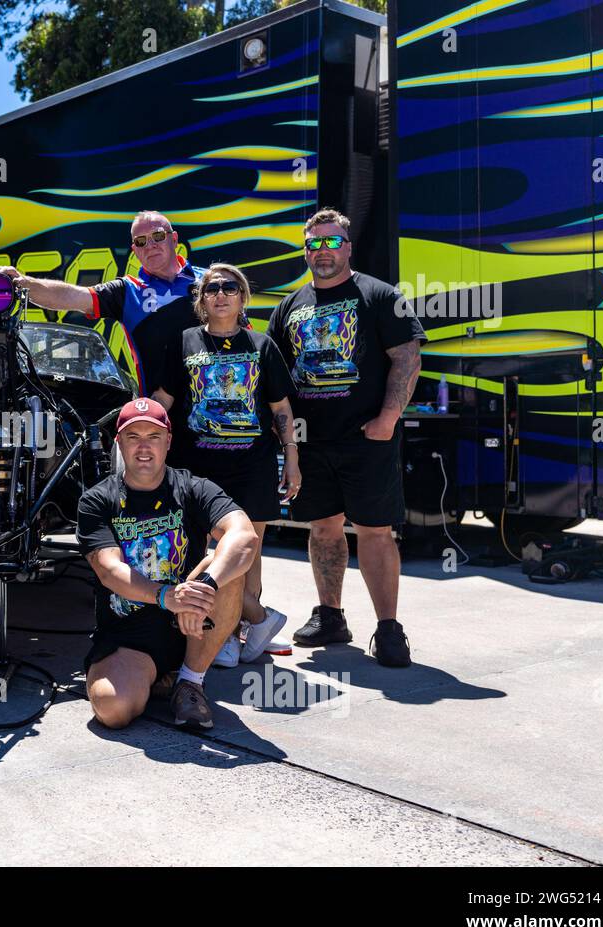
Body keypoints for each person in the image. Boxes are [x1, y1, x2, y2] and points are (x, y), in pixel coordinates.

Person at [265, 208, 425, 667]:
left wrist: (388, 418)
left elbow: (407, 357)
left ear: (348, 247)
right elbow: (274, 378)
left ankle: (389, 629)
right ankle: (331, 616)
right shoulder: (290, 306)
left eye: (332, 242)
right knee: (323, 527)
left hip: (366, 439)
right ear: (306, 249)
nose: (323, 251)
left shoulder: (380, 295)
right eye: (314, 243)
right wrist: (286, 439)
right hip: (312, 443)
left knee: (375, 531)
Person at [77, 397, 258, 730]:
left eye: (154, 437)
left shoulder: (193, 487)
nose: (144, 447)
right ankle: (160, 679)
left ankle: (190, 680)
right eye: (134, 437)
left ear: (169, 442)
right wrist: (166, 597)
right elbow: (108, 569)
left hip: (194, 625)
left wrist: (204, 588)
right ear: (118, 443)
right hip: (130, 635)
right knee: (113, 709)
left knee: (228, 561)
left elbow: (244, 536)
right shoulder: (97, 500)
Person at [153, 262, 300, 666]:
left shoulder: (261, 345)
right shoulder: (184, 342)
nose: (220, 294)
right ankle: (248, 621)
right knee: (201, 549)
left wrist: (292, 456)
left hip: (251, 464)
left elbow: (281, 408)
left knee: (247, 551)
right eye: (212, 288)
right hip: (196, 466)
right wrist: (141, 436)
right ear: (201, 300)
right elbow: (164, 401)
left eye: (229, 287)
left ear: (242, 297)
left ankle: (241, 630)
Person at [0, 210, 203, 396]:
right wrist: (24, 282)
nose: (150, 245)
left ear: (174, 239)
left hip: (218, 409)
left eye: (158, 236)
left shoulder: (212, 283)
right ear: (135, 249)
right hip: (161, 417)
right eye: (141, 241)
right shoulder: (128, 291)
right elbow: (71, 296)